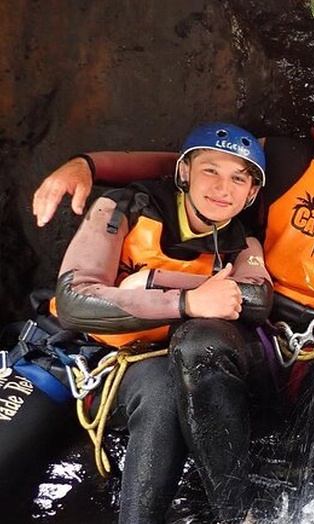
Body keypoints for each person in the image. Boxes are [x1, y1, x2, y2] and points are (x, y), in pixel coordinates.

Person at [33, 56, 314, 523]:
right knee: (200, 340)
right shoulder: (289, 158)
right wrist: (90, 164)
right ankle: (238, 512)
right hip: (258, 329)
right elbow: (201, 163)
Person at [53, 122, 272, 524]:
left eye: (238, 178)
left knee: (163, 388)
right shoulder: (122, 208)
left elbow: (255, 299)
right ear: (184, 172)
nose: (223, 188)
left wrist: (155, 281)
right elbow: (73, 300)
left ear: (252, 193)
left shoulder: (245, 241)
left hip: (158, 364)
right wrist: (186, 300)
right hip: (88, 356)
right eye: (210, 170)